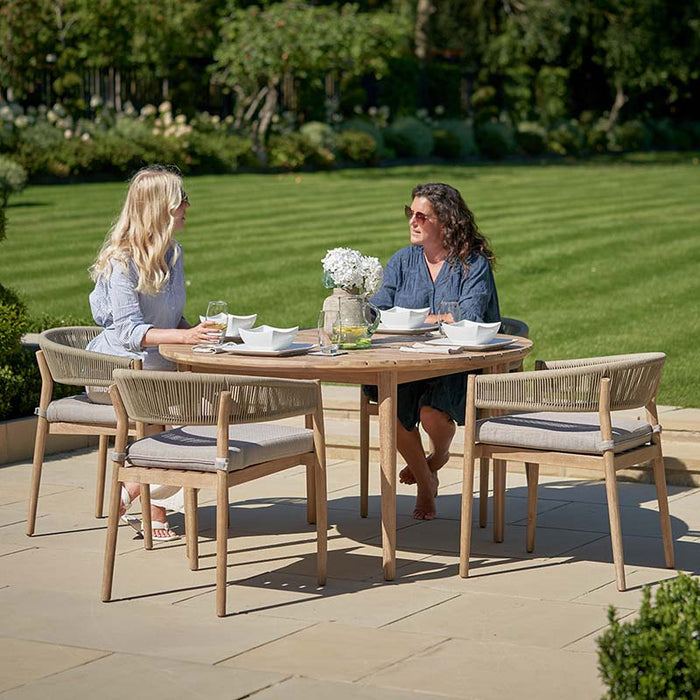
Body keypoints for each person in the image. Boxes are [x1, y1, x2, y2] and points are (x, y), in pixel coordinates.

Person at [87, 164, 218, 540]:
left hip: (156, 366)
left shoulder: (173, 253)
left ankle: (136, 494)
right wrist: (186, 337)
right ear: (160, 208)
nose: (188, 206)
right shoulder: (121, 262)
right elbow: (129, 332)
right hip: (118, 369)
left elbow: (170, 318)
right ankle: (147, 502)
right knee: (180, 415)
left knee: (204, 411)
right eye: (182, 200)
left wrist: (200, 332)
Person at [368, 182, 500, 521]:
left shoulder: (472, 263)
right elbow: (379, 310)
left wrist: (415, 319)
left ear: (445, 221)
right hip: (406, 362)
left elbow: (468, 315)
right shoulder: (401, 260)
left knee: (430, 413)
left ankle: (437, 457)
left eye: (421, 216)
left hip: (460, 364)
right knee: (388, 406)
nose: (412, 221)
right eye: (410, 213)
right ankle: (428, 483)